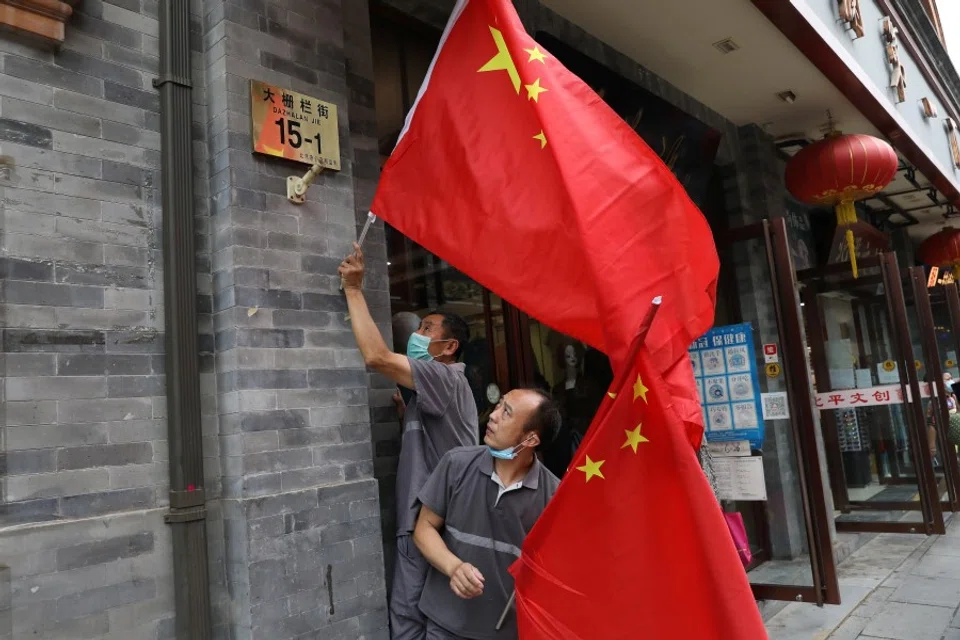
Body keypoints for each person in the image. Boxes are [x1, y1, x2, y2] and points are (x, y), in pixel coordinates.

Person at [339, 244, 479, 640]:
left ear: (449, 347)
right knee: (429, 615)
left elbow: (377, 357)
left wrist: (353, 289)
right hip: (433, 519)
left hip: (428, 523)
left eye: (426, 329)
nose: (416, 335)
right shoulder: (437, 388)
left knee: (409, 618)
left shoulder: (446, 376)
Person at [413, 388, 562, 640]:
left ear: (530, 440)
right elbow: (423, 529)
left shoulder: (553, 497)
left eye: (506, 412)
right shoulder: (456, 464)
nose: (493, 416)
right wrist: (454, 567)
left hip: (506, 631)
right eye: (498, 405)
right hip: (445, 624)